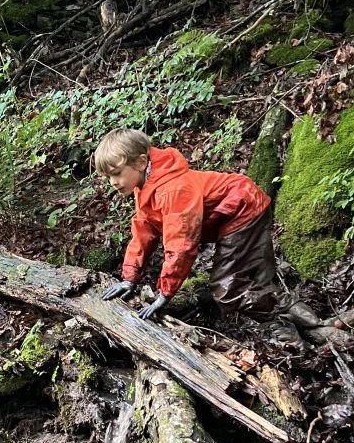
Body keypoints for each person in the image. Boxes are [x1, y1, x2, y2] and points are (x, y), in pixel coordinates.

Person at [95, 128, 319, 332]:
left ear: (141, 162)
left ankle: (287, 333)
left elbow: (181, 246)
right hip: (238, 208)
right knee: (255, 282)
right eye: (108, 177)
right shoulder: (145, 186)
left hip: (242, 208)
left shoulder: (172, 189)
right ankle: (312, 326)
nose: (113, 182)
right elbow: (143, 232)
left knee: (228, 289)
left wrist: (165, 293)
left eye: (116, 173)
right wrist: (129, 278)